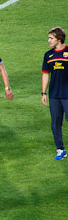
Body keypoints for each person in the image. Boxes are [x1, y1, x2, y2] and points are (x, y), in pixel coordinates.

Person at [41, 27, 68, 160]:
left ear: (59, 38)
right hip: (54, 95)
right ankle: (60, 149)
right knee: (56, 122)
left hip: (67, 94)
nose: (49, 41)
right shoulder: (48, 55)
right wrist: (43, 93)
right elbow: (45, 75)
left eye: (51, 38)